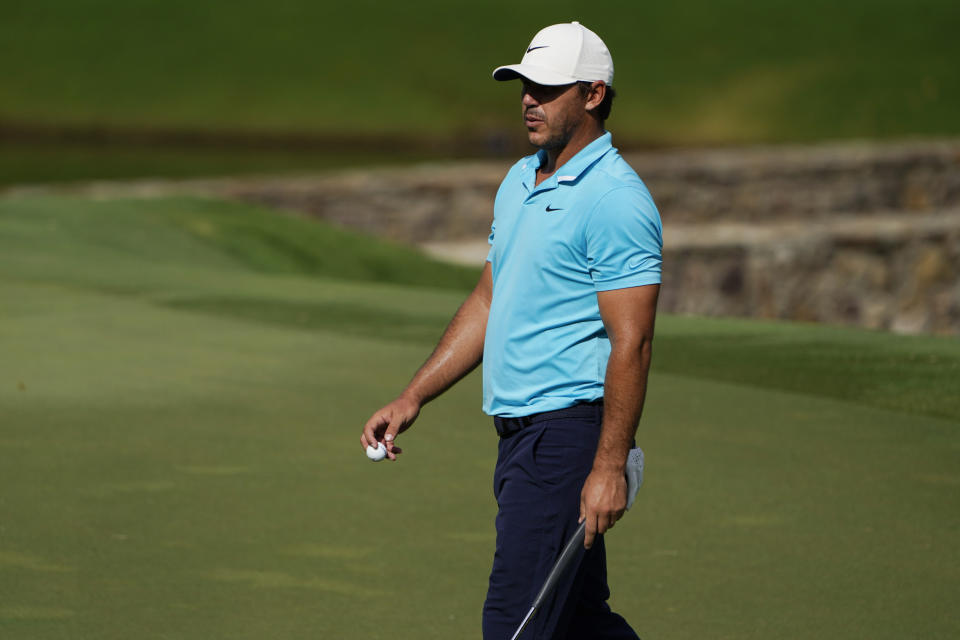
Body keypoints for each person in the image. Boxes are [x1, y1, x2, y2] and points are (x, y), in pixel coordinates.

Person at [361, 21, 662, 640]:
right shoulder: (521, 179)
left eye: (547, 87)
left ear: (593, 94)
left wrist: (607, 467)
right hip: (517, 439)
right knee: (579, 623)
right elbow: (489, 298)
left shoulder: (615, 199)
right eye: (525, 84)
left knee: (513, 626)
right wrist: (414, 394)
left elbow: (632, 342)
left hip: (565, 440)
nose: (529, 98)